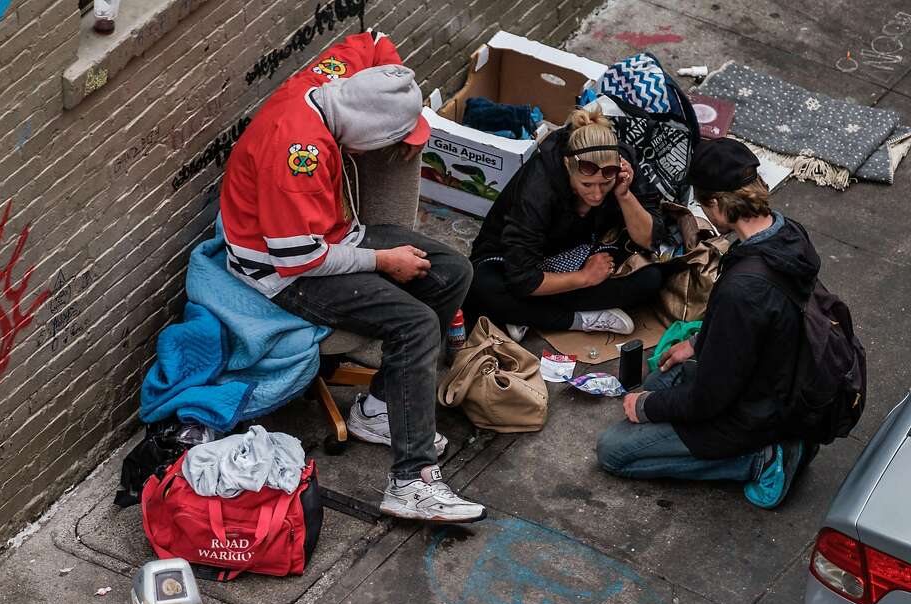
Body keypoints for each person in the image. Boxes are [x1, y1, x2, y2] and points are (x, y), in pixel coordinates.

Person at [220, 30, 485, 524]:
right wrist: (384, 263)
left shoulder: (333, 80)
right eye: (389, 137)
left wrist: (398, 97)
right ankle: (411, 482)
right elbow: (299, 259)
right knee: (417, 324)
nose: (392, 147)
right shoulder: (296, 156)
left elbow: (376, 40)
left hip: (334, 236)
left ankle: (380, 408)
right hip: (284, 270)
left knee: (452, 271)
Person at [595, 138, 821, 508]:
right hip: (774, 378)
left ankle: (758, 459)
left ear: (716, 205)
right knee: (658, 377)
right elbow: (760, 325)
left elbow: (709, 399)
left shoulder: (743, 289)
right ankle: (764, 440)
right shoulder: (788, 233)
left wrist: (649, 408)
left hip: (750, 413)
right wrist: (698, 343)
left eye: (702, 205)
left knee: (613, 450)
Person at [465, 105, 667, 340]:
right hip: (514, 261)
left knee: (651, 278)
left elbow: (650, 238)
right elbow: (523, 279)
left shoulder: (622, 166)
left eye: (605, 184)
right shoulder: (538, 187)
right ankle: (579, 319)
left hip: (581, 251)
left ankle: (526, 314)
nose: (597, 195)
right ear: (567, 166)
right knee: (483, 288)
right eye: (587, 185)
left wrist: (624, 195)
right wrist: (584, 278)